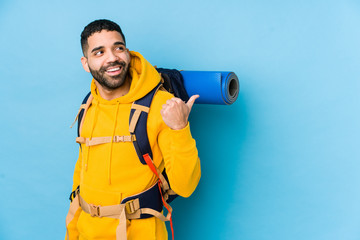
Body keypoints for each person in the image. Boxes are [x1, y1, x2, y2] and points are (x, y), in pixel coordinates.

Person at [65, 19, 201, 240]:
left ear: (127, 52)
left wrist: (180, 128)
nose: (112, 58)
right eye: (99, 52)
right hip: (85, 232)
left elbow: (185, 186)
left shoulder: (161, 105)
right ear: (85, 62)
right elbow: (81, 176)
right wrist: (72, 230)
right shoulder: (89, 104)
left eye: (118, 48)